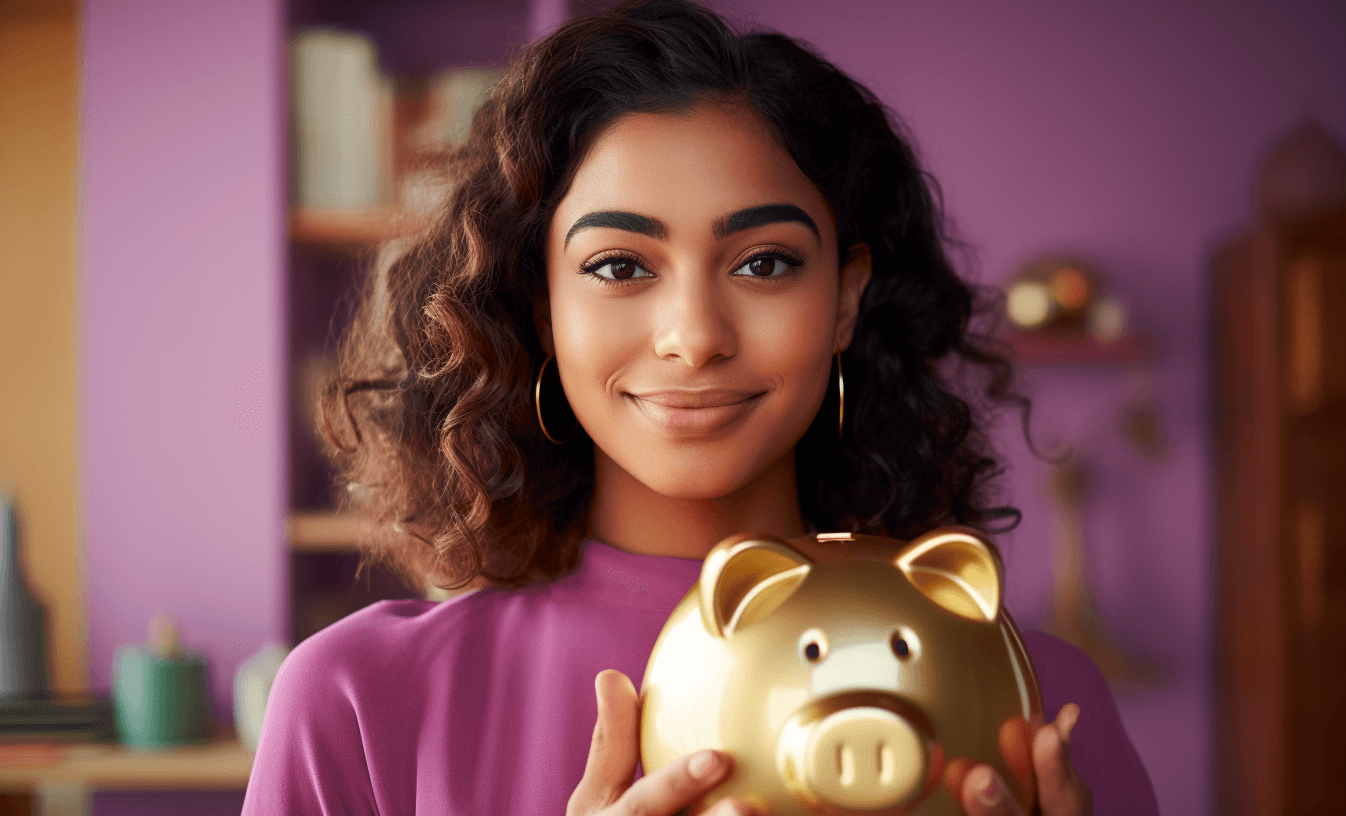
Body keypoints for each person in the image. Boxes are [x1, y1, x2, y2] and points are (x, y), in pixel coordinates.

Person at [242, 1, 1158, 814]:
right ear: (539, 308)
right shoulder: (357, 701)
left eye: (764, 263)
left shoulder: (1035, 701)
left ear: (844, 299)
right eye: (619, 266)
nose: (694, 335)